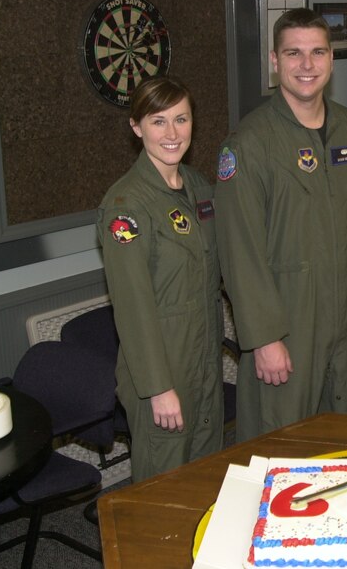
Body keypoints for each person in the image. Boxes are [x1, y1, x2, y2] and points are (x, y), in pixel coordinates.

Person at [214, 8, 347, 441]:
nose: (307, 65)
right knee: (284, 437)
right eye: (293, 53)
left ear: (332, 58)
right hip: (288, 314)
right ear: (275, 61)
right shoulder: (250, 143)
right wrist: (263, 337)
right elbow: (240, 251)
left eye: (317, 52)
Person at [97, 76, 223, 482]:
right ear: (136, 127)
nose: (172, 133)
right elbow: (133, 307)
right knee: (162, 483)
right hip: (162, 368)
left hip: (203, 358)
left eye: (181, 119)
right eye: (158, 121)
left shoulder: (199, 186)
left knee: (204, 476)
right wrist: (157, 387)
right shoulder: (127, 205)